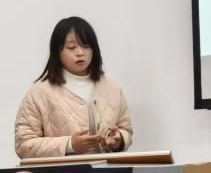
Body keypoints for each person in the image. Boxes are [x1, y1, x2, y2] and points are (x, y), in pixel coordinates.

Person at [15, 16, 133, 159]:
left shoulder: (112, 89)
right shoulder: (39, 92)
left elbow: (126, 130)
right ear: (57, 51)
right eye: (71, 47)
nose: (80, 52)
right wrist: (69, 145)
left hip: (108, 171)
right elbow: (23, 145)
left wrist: (119, 140)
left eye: (86, 46)